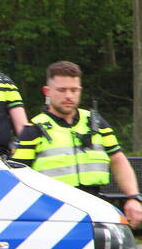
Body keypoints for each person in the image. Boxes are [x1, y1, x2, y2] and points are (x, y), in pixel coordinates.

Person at [12, 61, 142, 229]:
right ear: (47, 91)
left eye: (74, 90)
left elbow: (118, 159)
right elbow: (19, 177)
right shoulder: (34, 130)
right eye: (62, 90)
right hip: (53, 213)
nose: (69, 96)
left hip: (96, 208)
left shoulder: (96, 123)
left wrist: (133, 197)